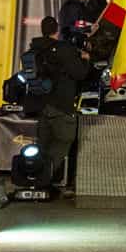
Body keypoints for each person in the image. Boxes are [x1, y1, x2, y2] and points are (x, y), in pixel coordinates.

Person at [28, 16, 94, 187]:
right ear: (56, 30)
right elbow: (80, 74)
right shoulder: (64, 49)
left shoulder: (35, 48)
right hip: (61, 105)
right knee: (64, 140)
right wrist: (85, 59)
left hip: (41, 105)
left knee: (43, 144)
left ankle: (32, 177)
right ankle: (43, 178)